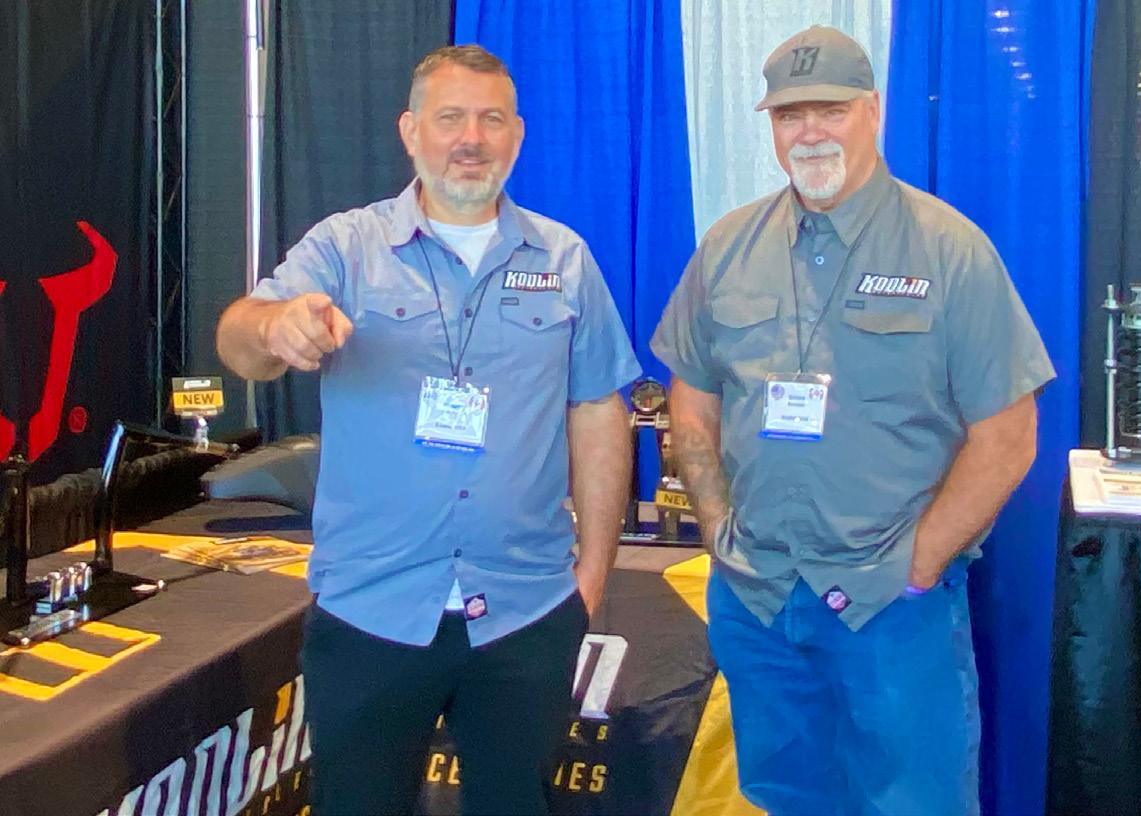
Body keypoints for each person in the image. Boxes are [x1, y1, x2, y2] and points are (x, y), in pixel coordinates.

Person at [216, 45, 640, 816]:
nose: (470, 138)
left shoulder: (564, 260)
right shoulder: (345, 247)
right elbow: (239, 339)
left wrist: (593, 577)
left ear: (517, 135)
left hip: (525, 613)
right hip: (369, 614)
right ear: (411, 131)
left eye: (491, 119)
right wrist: (275, 327)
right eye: (450, 118)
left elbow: (598, 410)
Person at [651, 25, 1055, 816]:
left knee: (914, 805)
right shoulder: (728, 247)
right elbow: (691, 397)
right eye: (788, 114)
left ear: (873, 110)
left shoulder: (950, 251)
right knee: (787, 799)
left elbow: (1009, 437)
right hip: (761, 602)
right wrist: (717, 526)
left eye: (830, 109)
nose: (809, 132)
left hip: (890, 609)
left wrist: (918, 565)